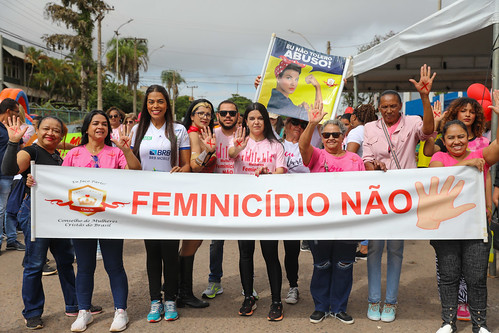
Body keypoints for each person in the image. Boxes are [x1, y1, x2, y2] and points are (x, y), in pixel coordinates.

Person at [1, 115, 102, 330]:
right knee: (35, 264)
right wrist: (13, 142)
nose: (51, 133)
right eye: (46, 128)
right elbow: (9, 170)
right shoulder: (30, 152)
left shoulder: (57, 156)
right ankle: (32, 312)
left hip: (58, 215)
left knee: (66, 260)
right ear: (37, 130)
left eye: (56, 130)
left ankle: (75, 304)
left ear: (62, 135)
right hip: (36, 215)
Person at [362, 64, 436, 322]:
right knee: (374, 248)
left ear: (400, 107)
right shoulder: (370, 128)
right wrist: (375, 166)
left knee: (395, 250)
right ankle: (373, 300)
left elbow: (428, 132)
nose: (389, 110)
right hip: (377, 196)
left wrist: (425, 97)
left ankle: (390, 302)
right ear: (379, 108)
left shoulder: (413, 122)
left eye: (393, 106)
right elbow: (367, 159)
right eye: (385, 106)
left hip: (403, 197)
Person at [63, 110, 141, 332]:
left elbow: (135, 172)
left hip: (110, 219)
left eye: (104, 124)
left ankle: (120, 311)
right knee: (85, 266)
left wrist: (126, 149)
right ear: (86, 127)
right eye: (95, 123)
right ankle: (83, 312)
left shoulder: (116, 153)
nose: (100, 127)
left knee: (114, 265)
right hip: (82, 219)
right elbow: (59, 183)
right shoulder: (74, 154)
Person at [428, 91, 499, 333]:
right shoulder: (438, 157)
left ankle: (480, 325)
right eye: (451, 138)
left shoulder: (481, 155)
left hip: (475, 226)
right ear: (444, 140)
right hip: (445, 226)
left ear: (467, 138)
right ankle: (448, 322)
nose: (457, 141)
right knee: (448, 276)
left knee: (476, 278)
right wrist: (466, 164)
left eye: (461, 137)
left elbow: (498, 147)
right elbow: (437, 176)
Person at [299, 101, 365, 325]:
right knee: (321, 265)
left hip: (347, 224)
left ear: (343, 136)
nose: (330, 139)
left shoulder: (355, 160)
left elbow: (365, 193)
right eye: (326, 135)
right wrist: (312, 124)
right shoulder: (316, 156)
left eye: (335, 134)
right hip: (320, 224)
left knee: (344, 266)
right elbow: (302, 146)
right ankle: (320, 307)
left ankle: (338, 308)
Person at [130, 85, 191, 322]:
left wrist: (181, 169)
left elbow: (186, 165)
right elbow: (132, 164)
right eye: (151, 102)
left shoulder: (179, 130)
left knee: (169, 251)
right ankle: (155, 300)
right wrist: (125, 147)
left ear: (167, 104)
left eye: (160, 101)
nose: (155, 106)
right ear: (146, 105)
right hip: (146, 199)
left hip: (170, 199)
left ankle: (171, 299)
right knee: (152, 251)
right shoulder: (137, 130)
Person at [229, 102, 287, 321]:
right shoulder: (239, 143)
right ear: (245, 121)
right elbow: (232, 154)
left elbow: (281, 171)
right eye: (251, 118)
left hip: (268, 208)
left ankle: (276, 301)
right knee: (245, 254)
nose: (256, 122)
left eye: (260, 118)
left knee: (270, 254)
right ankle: (248, 297)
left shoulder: (275, 145)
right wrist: (238, 147)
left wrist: (269, 174)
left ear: (266, 120)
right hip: (243, 207)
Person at [176, 99, 217, 309]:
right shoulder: (193, 133)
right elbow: (194, 165)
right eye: (200, 112)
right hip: (194, 193)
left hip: (204, 192)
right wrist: (208, 152)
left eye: (208, 113)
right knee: (190, 244)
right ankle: (182, 292)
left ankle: (176, 288)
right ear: (191, 116)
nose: (204, 116)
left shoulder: (207, 132)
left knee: (194, 242)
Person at [202, 100, 239, 299]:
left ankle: (247, 284)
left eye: (231, 113)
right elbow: (199, 160)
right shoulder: (211, 134)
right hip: (217, 194)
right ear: (217, 115)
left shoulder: (245, 133)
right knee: (216, 241)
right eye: (223, 113)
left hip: (243, 193)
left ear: (238, 116)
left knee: (246, 241)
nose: (227, 116)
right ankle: (214, 281)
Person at [265, 55, 322, 120]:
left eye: (296, 79)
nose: (293, 83)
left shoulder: (285, 100)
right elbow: (316, 116)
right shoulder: (278, 101)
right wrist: (317, 87)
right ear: (278, 78)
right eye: (288, 78)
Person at [0, 98, 22, 253]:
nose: (18, 116)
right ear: (8, 112)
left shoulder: (12, 128)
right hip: (2, 176)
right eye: (16, 112)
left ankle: (12, 240)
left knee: (10, 209)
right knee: (2, 209)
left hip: (11, 176)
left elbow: (19, 148)